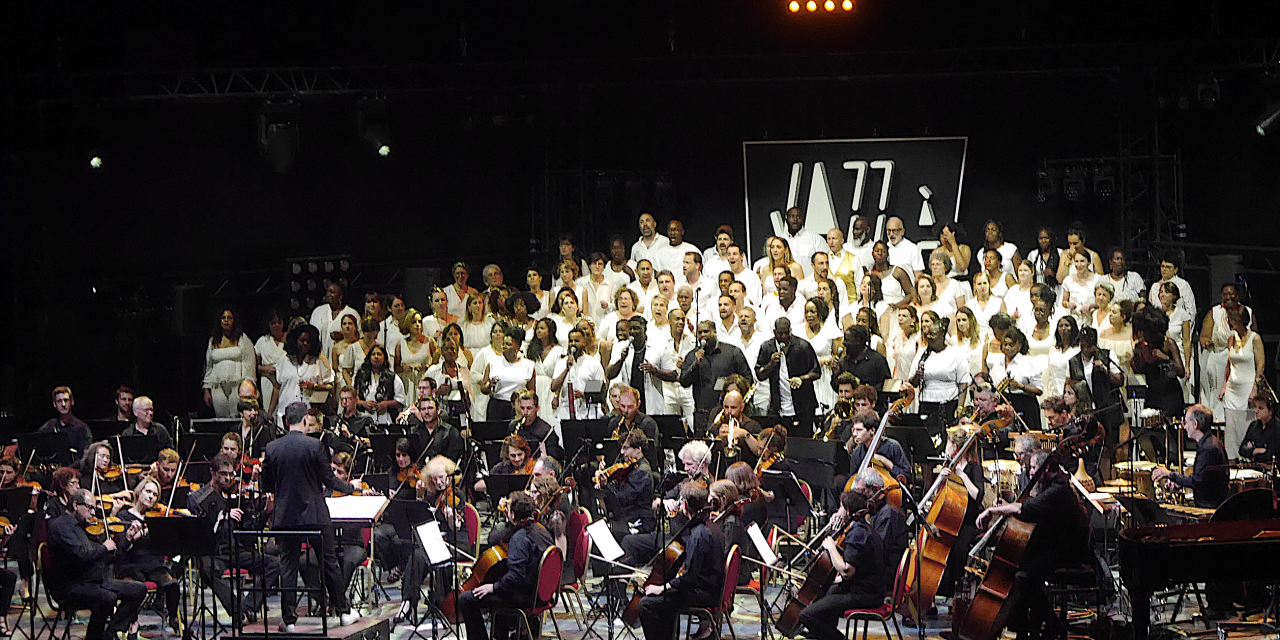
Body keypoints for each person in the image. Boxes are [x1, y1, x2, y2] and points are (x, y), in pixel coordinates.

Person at [261, 402, 364, 630]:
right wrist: (351, 487)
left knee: (288, 565)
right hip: (315, 515)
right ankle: (344, 612)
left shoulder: (272, 448)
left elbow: (266, 484)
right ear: (305, 420)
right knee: (329, 562)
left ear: (286, 421)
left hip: (286, 516)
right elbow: (329, 479)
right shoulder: (314, 446)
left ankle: (288, 621)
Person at [975, 450, 1089, 640]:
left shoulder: (1058, 491)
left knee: (1023, 577)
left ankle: (1052, 624)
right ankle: (1026, 630)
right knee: (1019, 569)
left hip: (1067, 552)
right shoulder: (1051, 486)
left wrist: (992, 510)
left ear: (1047, 469)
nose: (1030, 472)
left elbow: (1023, 508)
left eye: (1034, 468)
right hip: (1052, 547)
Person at [46, 489, 149, 640]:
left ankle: (110, 632)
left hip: (93, 580)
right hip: (70, 585)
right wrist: (104, 548)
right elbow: (82, 555)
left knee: (138, 589)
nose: (93, 513)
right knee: (107, 598)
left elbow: (108, 556)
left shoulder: (85, 526)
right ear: (75, 505)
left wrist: (127, 538)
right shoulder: (61, 527)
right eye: (90, 508)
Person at [457, 491, 555, 640]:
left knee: (466, 599)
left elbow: (516, 577)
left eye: (508, 511)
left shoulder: (520, 538)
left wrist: (493, 587)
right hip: (543, 594)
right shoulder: (542, 531)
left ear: (513, 516)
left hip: (526, 598)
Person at [636, 482, 725, 640]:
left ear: (684, 505)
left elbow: (689, 579)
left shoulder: (698, 535)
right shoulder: (713, 526)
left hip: (703, 594)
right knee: (665, 600)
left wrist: (662, 588)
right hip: (714, 589)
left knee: (647, 604)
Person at [795, 489, 886, 640]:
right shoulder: (863, 527)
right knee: (826, 595)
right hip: (869, 589)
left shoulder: (857, 534)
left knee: (806, 615)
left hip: (864, 595)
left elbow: (846, 571)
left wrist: (831, 547)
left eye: (841, 507)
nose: (839, 510)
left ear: (848, 510)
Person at [116, 476, 182, 634]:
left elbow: (165, 547)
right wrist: (132, 536)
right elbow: (121, 548)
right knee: (136, 588)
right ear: (139, 492)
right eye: (148, 491)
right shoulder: (124, 516)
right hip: (131, 564)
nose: (151, 496)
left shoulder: (156, 518)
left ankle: (174, 618)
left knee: (172, 583)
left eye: (155, 494)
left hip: (153, 565)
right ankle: (132, 623)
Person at [935, 428, 985, 599]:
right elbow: (939, 494)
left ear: (956, 447)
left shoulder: (974, 468)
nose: (945, 448)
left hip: (968, 522)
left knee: (958, 549)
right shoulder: (948, 466)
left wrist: (962, 476)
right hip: (950, 519)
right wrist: (941, 478)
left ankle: (950, 587)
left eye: (948, 444)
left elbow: (978, 495)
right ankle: (936, 585)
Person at [679, 320, 753, 433]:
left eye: (706, 331)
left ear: (715, 332)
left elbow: (748, 379)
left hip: (726, 414)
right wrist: (696, 364)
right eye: (699, 332)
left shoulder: (732, 352)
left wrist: (735, 392)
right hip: (701, 414)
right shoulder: (692, 355)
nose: (703, 335)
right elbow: (684, 381)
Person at [1152, 405, 1229, 509]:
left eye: (1187, 423)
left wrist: (1169, 474)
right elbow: (1201, 477)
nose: (1184, 427)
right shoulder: (1210, 442)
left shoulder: (1208, 449)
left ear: (1195, 424)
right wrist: (1178, 481)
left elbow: (1197, 481)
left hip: (1209, 507)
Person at [755, 317, 822, 437]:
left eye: (787, 332)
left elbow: (816, 372)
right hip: (778, 408)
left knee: (802, 443)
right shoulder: (767, 347)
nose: (784, 336)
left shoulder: (803, 346)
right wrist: (771, 364)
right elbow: (760, 375)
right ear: (775, 332)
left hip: (802, 407)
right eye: (780, 333)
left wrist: (801, 379)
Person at [274, 323, 335, 421]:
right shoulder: (284, 360)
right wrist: (270, 411)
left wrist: (314, 386)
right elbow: (277, 387)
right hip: (285, 412)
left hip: (309, 415)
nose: (305, 344)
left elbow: (330, 386)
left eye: (308, 341)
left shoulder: (319, 360)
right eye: (302, 341)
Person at [479, 326, 536, 421]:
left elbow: (532, 392)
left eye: (508, 344)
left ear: (517, 347)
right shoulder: (493, 362)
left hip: (518, 407)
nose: (504, 347)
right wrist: (489, 385)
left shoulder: (528, 365)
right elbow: (483, 388)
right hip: (497, 406)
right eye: (503, 344)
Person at [846, 410, 912, 483]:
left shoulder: (892, 446)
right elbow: (852, 479)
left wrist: (885, 462)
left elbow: (907, 476)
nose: (854, 434)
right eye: (853, 430)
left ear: (872, 430)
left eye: (859, 430)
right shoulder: (857, 452)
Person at [400, 394, 467, 462]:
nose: (426, 412)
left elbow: (453, 459)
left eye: (430, 408)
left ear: (438, 410)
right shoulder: (413, 431)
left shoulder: (451, 432)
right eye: (423, 409)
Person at [38, 386, 92, 459]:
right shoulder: (50, 425)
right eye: (59, 401)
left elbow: (86, 458)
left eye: (66, 400)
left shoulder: (82, 428)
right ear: (55, 404)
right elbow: (34, 441)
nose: (63, 404)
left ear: (72, 402)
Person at [1241, 393, 1280, 463]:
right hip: (1254, 467)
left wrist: (1252, 450)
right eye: (1256, 407)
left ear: (1270, 411)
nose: (1256, 411)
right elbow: (1242, 450)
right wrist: (1257, 450)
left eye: (1260, 408)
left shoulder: (1277, 428)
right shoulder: (1253, 425)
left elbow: (1271, 455)